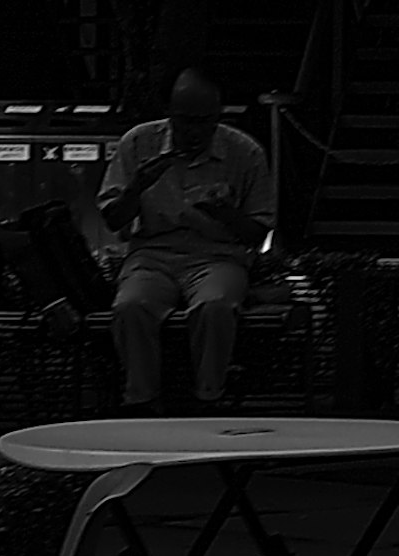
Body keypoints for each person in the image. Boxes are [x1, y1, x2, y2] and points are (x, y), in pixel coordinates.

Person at [94, 69, 273, 408]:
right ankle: (141, 401)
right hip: (152, 252)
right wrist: (136, 188)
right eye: (184, 121)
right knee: (131, 306)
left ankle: (208, 398)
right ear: (170, 115)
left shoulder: (243, 151)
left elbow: (258, 230)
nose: (193, 132)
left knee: (215, 305)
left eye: (203, 121)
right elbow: (112, 216)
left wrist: (224, 214)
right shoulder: (139, 143)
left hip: (218, 255)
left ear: (218, 118)